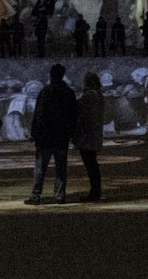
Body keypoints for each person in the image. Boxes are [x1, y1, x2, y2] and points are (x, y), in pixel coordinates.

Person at [27, 63, 76, 205]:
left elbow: (39, 115)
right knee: (61, 168)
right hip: (62, 137)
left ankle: (36, 196)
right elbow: (73, 115)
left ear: (51, 75)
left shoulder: (46, 92)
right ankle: (60, 195)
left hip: (46, 137)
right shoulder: (69, 93)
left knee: (40, 168)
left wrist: (34, 133)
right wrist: (71, 133)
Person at [73, 71, 106, 202]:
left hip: (87, 135)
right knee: (92, 164)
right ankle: (95, 191)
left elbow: (77, 107)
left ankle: (95, 192)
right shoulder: (99, 95)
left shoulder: (88, 96)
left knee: (91, 165)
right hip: (94, 134)